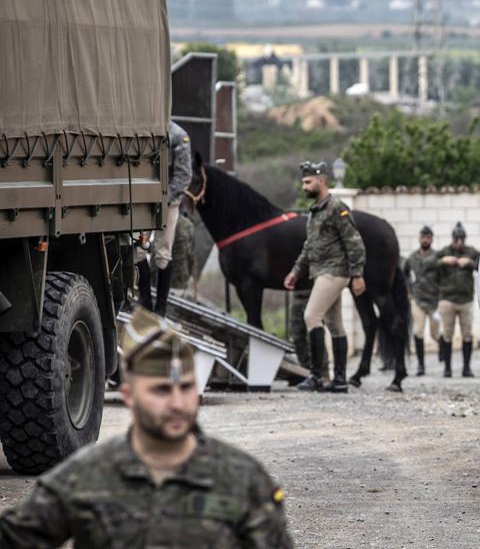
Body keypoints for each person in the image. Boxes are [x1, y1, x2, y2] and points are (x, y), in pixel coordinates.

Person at [0, 307, 294, 548]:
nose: (178, 403)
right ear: (129, 396)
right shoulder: (88, 476)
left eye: (187, 388)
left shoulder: (242, 479)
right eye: (161, 390)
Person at [284, 160, 366, 393]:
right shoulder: (315, 212)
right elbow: (309, 246)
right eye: (303, 182)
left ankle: (317, 375)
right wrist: (295, 271)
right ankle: (339, 380)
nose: (304, 187)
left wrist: (357, 274)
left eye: (308, 182)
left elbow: (355, 243)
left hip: (334, 271)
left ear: (322, 180)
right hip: (321, 271)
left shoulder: (336, 207)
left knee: (311, 316)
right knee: (335, 324)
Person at [135, 120, 193, 316]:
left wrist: (165, 199)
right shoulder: (141, 128)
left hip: (169, 201)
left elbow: (184, 176)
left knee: (163, 252)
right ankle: (144, 301)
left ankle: (161, 306)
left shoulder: (178, 136)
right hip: (143, 199)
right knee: (136, 247)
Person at [433, 222, 480, 378]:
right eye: (456, 239)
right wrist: (442, 261)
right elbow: (427, 265)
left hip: (465, 300)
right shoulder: (444, 252)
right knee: (447, 334)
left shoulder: (471, 252)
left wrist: (470, 263)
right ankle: (447, 368)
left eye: (461, 239)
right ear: (452, 238)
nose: (458, 242)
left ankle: (466, 368)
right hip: (447, 300)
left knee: (467, 335)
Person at [403, 225, 441, 376]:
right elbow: (404, 274)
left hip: (434, 300)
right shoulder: (412, 257)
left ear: (431, 239)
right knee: (418, 331)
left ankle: (443, 351)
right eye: (423, 237)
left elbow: (443, 276)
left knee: (435, 333)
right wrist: (409, 291)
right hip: (418, 299)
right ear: (419, 239)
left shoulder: (437, 257)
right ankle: (421, 365)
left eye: (428, 237)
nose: (425, 240)